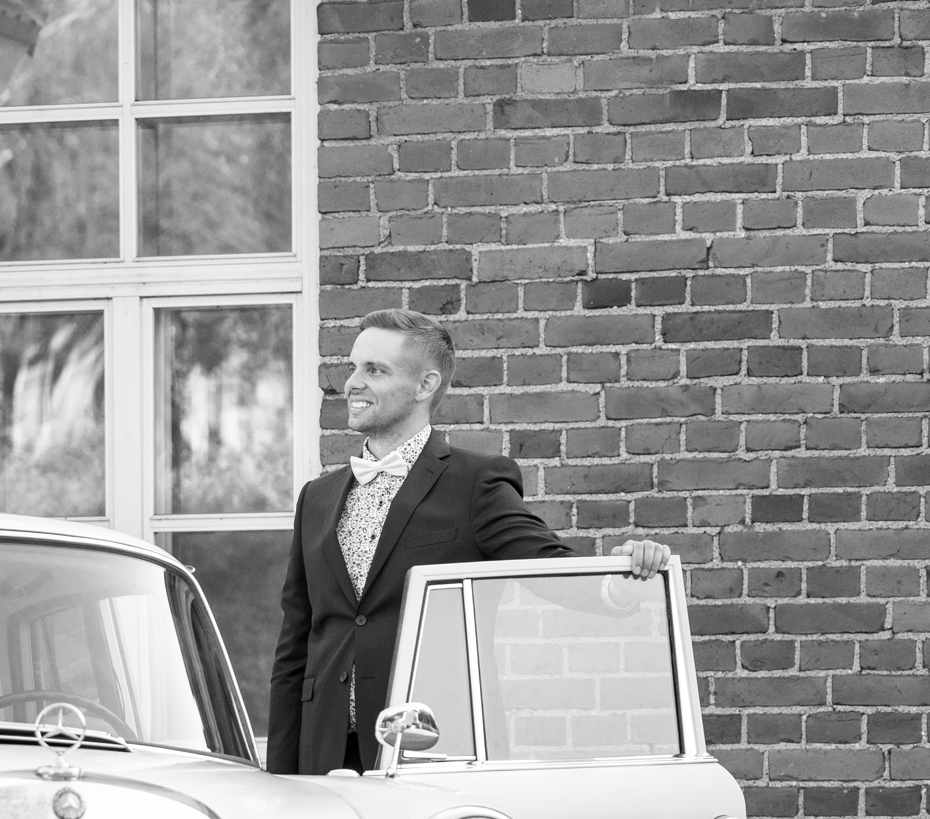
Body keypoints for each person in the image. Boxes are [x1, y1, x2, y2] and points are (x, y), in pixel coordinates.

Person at [267, 310, 669, 776]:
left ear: (425, 385)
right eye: (353, 367)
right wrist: (281, 775)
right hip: (325, 755)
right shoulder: (316, 498)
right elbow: (295, 645)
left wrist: (620, 580)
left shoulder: (475, 483)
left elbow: (544, 566)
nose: (353, 382)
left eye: (375, 370)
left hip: (436, 751)